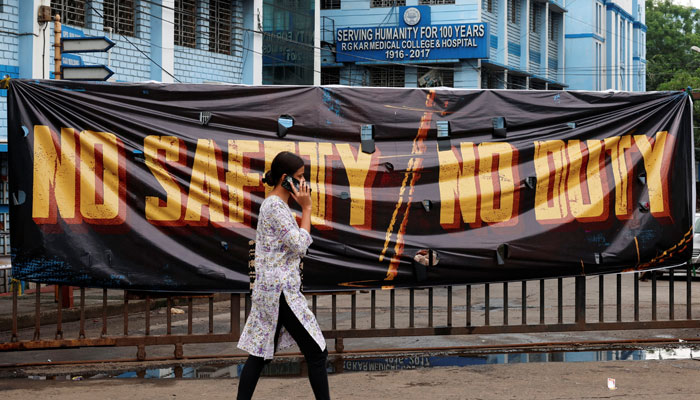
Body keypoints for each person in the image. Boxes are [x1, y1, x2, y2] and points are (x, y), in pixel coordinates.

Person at [237, 151, 330, 400]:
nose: (304, 183)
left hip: (274, 290)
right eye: (299, 177)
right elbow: (300, 245)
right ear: (285, 179)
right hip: (281, 292)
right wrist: (307, 208)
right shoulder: (276, 208)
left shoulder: (276, 205)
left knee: (259, 355)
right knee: (317, 352)